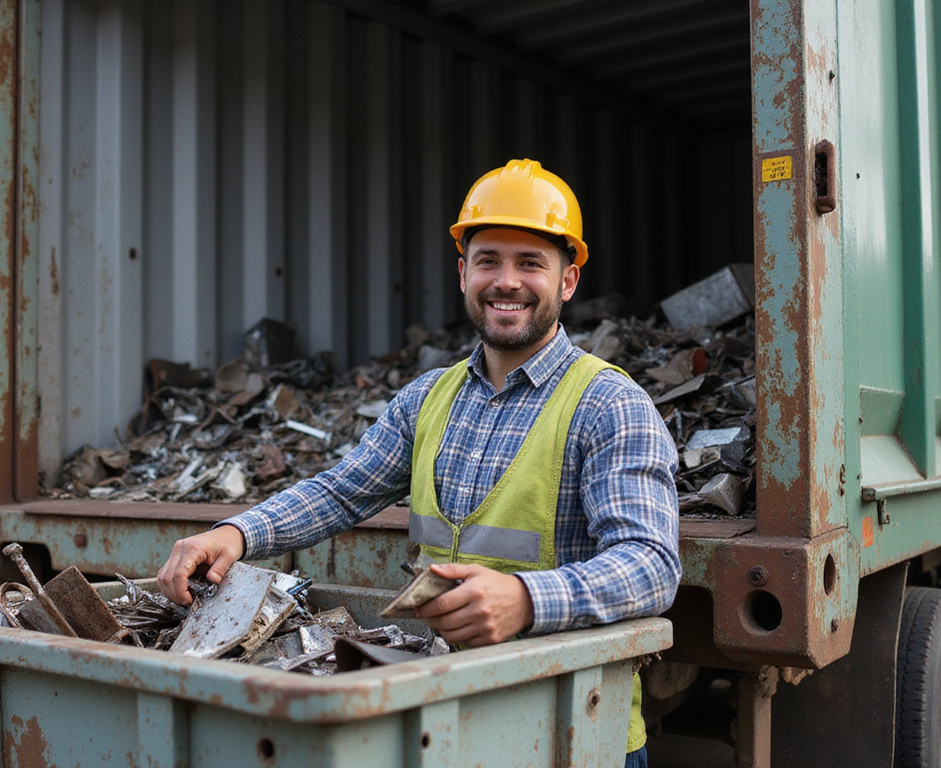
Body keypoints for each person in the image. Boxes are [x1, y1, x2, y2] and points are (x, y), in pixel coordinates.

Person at [157, 158, 680, 767]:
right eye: (488, 260)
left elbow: (651, 565)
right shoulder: (427, 398)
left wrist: (527, 599)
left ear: (567, 282)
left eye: (531, 263)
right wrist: (235, 533)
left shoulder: (610, 404)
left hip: (572, 730)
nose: (506, 281)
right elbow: (341, 492)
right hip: (446, 721)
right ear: (463, 273)